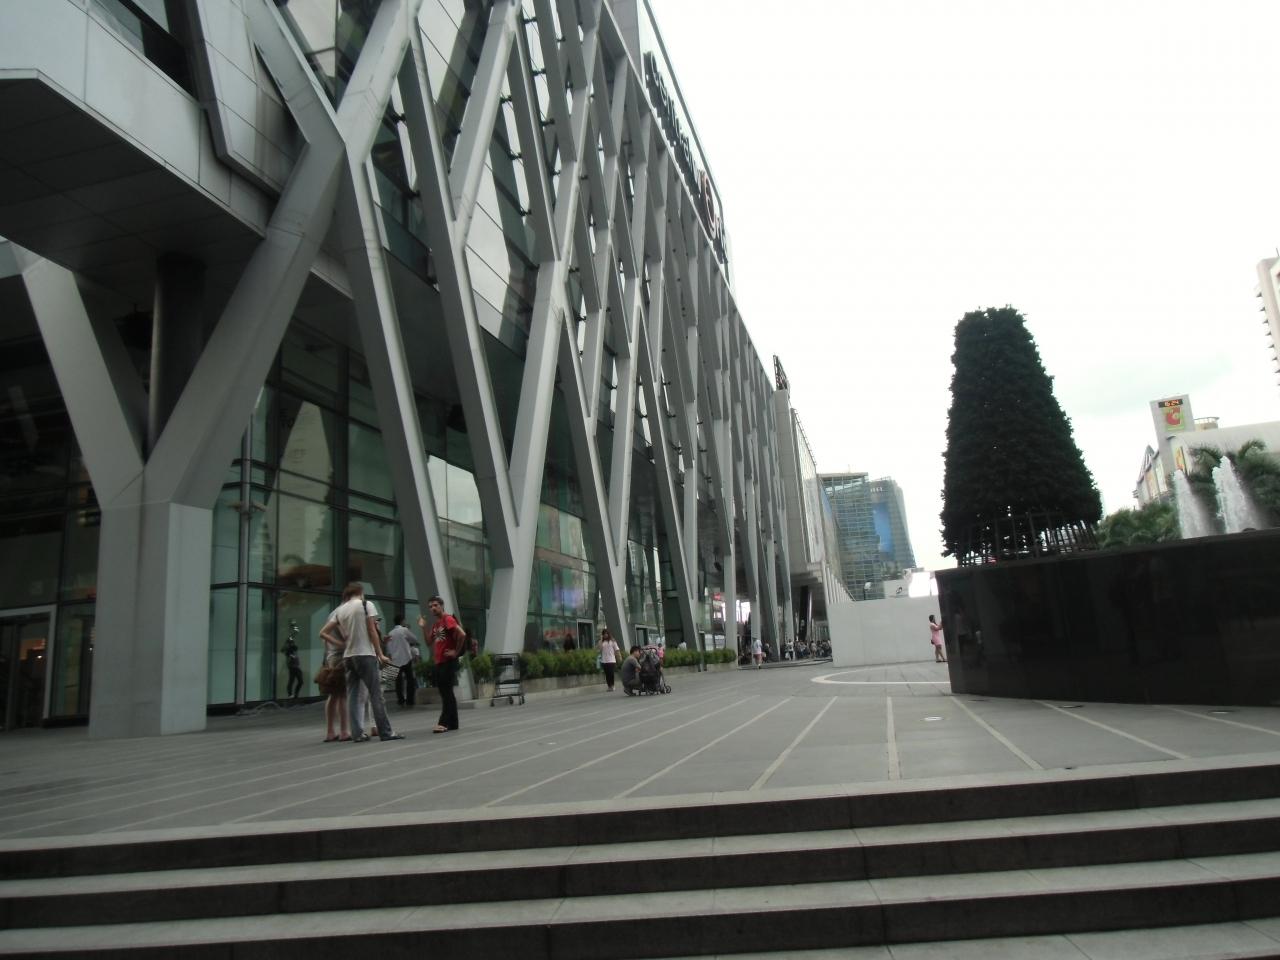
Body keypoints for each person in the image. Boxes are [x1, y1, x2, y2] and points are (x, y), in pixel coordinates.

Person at [320, 583, 403, 743]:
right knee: (376, 694)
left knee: (353, 696)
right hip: (365, 654)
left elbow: (323, 632)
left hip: (348, 657)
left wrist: (341, 644)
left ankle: (357, 733)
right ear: (360, 592)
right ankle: (385, 732)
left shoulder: (340, 610)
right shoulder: (366, 605)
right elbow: (372, 630)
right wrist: (380, 654)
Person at [421, 595, 465, 733]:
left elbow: (462, 634)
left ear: (442, 606)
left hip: (448, 661)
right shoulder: (436, 624)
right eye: (430, 607)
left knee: (446, 693)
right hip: (440, 661)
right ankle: (453, 723)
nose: (433, 608)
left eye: (435, 605)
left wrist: (455, 652)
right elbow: (428, 642)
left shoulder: (447, 619)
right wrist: (423, 627)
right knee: (446, 693)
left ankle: (443, 723)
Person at [318, 610, 351, 743]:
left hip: (331, 657)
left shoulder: (332, 615)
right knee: (342, 695)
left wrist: (327, 656)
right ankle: (344, 731)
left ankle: (330, 732)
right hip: (340, 657)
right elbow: (346, 636)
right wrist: (342, 645)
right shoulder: (341, 614)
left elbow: (324, 640)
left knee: (333, 695)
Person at [384, 614, 417, 707]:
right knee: (410, 680)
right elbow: (414, 639)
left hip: (395, 660)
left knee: (398, 681)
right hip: (406, 658)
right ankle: (410, 700)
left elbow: (388, 648)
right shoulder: (404, 630)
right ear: (402, 621)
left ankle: (401, 700)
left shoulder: (390, 633)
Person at [281, 620, 303, 700]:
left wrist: (294, 625)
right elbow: (283, 650)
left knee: (294, 680)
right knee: (296, 680)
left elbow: (296, 632)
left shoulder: (291, 642)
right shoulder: (288, 643)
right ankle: (291, 695)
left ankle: (292, 695)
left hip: (294, 664)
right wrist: (290, 654)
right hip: (292, 665)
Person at [598, 627, 620, 692]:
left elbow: (617, 649)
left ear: (608, 634)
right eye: (604, 634)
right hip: (604, 660)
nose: (605, 635)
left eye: (606, 633)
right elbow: (600, 649)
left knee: (611, 673)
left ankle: (612, 685)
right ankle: (609, 686)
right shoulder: (601, 642)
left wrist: (618, 657)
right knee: (607, 674)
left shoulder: (612, 641)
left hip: (611, 660)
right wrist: (601, 640)